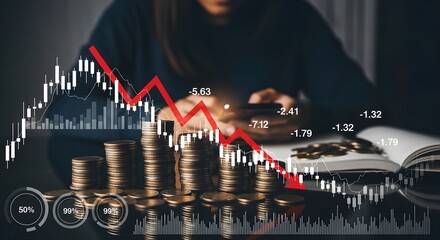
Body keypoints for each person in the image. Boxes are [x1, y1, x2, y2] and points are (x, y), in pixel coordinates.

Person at [48, 0, 378, 184]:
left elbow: (368, 106)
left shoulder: (294, 15)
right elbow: (62, 109)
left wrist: (307, 115)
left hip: (265, 203)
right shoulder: (133, 13)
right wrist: (156, 120)